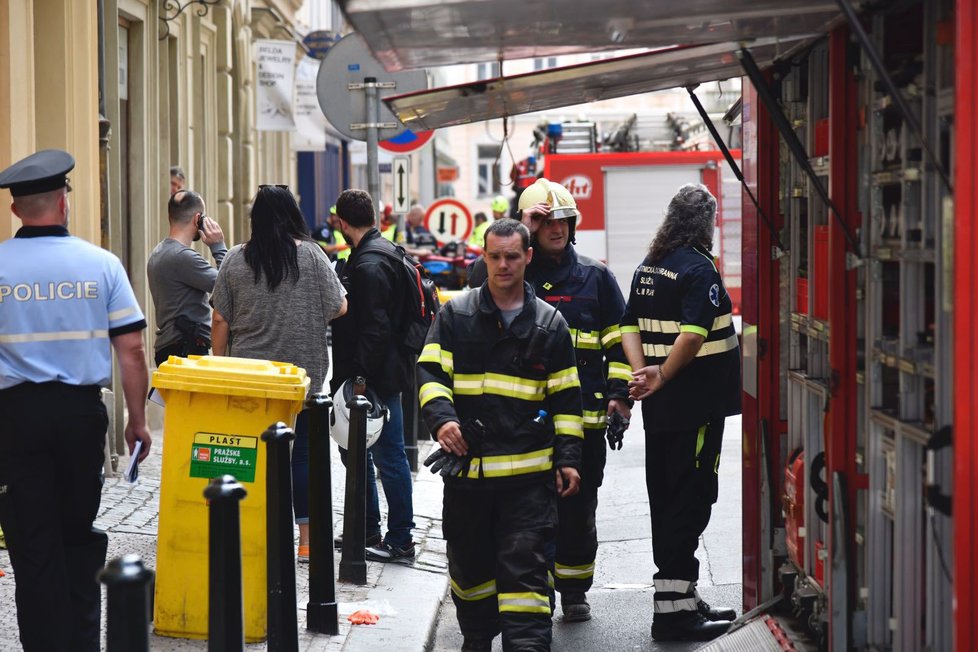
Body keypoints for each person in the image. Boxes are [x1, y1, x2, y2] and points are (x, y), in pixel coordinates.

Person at [0, 149, 152, 651]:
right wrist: (136, 418)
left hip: (15, 420)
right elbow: (130, 348)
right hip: (80, 417)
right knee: (77, 533)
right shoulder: (100, 264)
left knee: (31, 540)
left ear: (16, 209)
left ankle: (45, 644)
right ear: (64, 202)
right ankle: (83, 641)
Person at [418, 218, 584, 652]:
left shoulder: (551, 325)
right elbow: (430, 373)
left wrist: (568, 458)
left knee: (525, 576)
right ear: (484, 257)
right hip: (468, 480)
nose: (503, 265)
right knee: (470, 573)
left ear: (528, 257)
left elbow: (567, 400)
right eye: (495, 257)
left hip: (527, 483)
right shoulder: (456, 315)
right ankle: (476, 637)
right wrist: (443, 420)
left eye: (513, 256)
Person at [620, 183, 741, 642]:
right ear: (705, 222)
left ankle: (682, 598)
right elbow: (692, 335)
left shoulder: (649, 266)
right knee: (689, 501)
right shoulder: (698, 268)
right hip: (695, 408)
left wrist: (643, 376)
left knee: (666, 497)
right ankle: (674, 616)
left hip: (664, 411)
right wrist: (663, 376)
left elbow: (627, 324)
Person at [514, 177, 633, 622]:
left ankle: (574, 590)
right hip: (525, 424)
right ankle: (536, 590)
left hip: (583, 427)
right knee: (529, 511)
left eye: (564, 219)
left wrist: (620, 398)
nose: (557, 228)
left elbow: (619, 343)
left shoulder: (596, 277)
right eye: (545, 221)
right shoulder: (512, 272)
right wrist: (519, 230)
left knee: (579, 509)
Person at [210, 185, 347, 562]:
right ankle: (305, 541)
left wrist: (217, 365)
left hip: (249, 377)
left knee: (248, 456)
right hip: (299, 378)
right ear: (293, 217)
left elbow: (220, 317)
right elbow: (340, 307)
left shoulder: (236, 258)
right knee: (302, 456)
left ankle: (252, 534)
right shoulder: (315, 257)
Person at [329, 188, 416, 562]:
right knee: (357, 451)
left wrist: (360, 377)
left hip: (374, 376)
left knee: (388, 456)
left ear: (343, 224)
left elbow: (375, 327)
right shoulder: (383, 252)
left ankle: (399, 540)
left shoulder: (369, 264)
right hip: (382, 371)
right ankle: (366, 529)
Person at [147, 189, 227, 366]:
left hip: (171, 349)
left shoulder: (158, 252)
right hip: (187, 351)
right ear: (197, 218)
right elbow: (229, 286)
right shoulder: (182, 257)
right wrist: (219, 247)